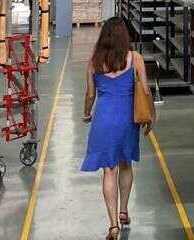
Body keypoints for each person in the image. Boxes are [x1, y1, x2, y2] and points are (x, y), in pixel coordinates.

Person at [82, 17, 153, 240]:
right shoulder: (135, 58)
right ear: (125, 37)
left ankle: (113, 225)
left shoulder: (93, 62)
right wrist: (151, 115)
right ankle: (124, 211)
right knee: (126, 165)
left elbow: (90, 95)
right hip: (127, 119)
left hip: (103, 120)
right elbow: (146, 90)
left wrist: (87, 113)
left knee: (109, 170)